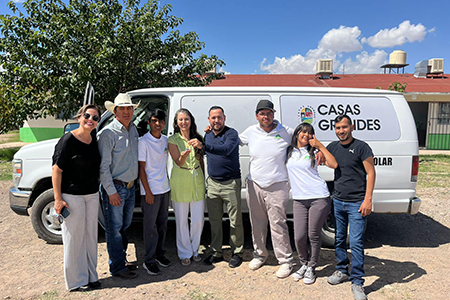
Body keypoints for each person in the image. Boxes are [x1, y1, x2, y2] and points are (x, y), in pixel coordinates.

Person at [239, 99, 294, 278]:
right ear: (257, 116)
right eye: (262, 113)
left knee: (278, 223)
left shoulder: (286, 131)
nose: (266, 116)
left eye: (269, 113)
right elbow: (231, 140)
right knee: (257, 222)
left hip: (277, 185)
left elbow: (304, 140)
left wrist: (318, 152)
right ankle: (260, 254)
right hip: (254, 184)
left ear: (273, 114)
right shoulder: (250, 132)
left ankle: (285, 261)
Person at [52, 104, 102, 291]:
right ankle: (76, 281)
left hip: (91, 195)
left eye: (95, 118)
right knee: (74, 239)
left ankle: (91, 276)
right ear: (80, 117)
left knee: (90, 237)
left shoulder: (94, 140)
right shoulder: (68, 140)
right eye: (88, 115)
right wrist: (58, 199)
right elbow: (56, 169)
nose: (91, 119)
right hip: (72, 196)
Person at [326, 114, 376, 300]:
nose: (341, 131)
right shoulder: (333, 146)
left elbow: (371, 173)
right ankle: (341, 270)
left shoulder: (361, 147)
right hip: (338, 200)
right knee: (339, 238)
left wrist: (367, 200)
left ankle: (357, 281)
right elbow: (324, 157)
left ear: (352, 127)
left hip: (357, 203)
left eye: (344, 127)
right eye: (338, 128)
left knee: (355, 242)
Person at [286, 123, 338, 284]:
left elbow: (334, 164)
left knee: (313, 234)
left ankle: (311, 267)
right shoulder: (288, 151)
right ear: (296, 134)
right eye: (303, 131)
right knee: (299, 236)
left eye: (309, 133)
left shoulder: (315, 152)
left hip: (318, 197)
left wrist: (320, 146)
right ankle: (303, 263)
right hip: (300, 199)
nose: (306, 135)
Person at [97, 93, 139, 279]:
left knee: (124, 226)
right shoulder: (108, 134)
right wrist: (111, 192)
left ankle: (121, 260)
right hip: (116, 187)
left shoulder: (133, 129)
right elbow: (103, 167)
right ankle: (117, 267)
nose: (126, 111)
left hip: (130, 187)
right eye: (122, 108)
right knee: (114, 229)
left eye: (129, 108)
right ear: (114, 111)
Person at [202, 106, 244, 268]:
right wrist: (204, 139)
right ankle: (216, 252)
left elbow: (225, 150)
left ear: (224, 118)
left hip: (231, 183)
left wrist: (204, 145)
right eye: (213, 118)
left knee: (235, 221)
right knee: (214, 221)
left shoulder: (232, 133)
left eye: (219, 117)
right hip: (212, 183)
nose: (216, 121)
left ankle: (237, 252)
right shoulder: (207, 134)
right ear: (209, 120)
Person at [168, 108, 206, 266]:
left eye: (186, 119)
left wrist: (200, 146)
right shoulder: (173, 140)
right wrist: (183, 155)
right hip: (180, 181)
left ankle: (195, 250)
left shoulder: (198, 138)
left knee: (198, 220)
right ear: (176, 122)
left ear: (191, 121)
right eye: (181, 119)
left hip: (197, 181)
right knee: (182, 221)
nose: (184, 122)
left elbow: (201, 160)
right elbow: (178, 162)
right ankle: (185, 252)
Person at [138, 109, 172, 275]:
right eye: (153, 121)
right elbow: (142, 169)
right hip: (150, 191)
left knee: (162, 224)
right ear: (149, 123)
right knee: (150, 227)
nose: (157, 124)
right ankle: (149, 260)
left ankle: (159, 254)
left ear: (164, 123)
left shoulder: (165, 140)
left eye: (160, 121)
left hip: (164, 189)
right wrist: (148, 192)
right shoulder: (143, 142)